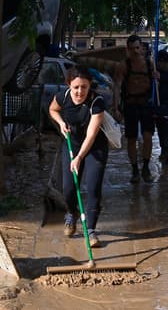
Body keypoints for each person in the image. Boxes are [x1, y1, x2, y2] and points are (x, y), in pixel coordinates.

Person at [49, 66, 108, 248]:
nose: (80, 91)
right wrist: (60, 123)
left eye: (84, 87)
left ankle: (90, 230)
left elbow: (91, 135)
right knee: (68, 188)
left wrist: (80, 157)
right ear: (69, 85)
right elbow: (53, 109)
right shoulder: (63, 97)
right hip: (71, 144)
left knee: (93, 187)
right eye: (76, 87)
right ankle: (70, 213)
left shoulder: (97, 102)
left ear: (90, 86)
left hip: (94, 147)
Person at [113, 34, 158, 183]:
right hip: (130, 103)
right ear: (128, 49)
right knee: (131, 138)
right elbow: (117, 87)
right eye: (132, 49)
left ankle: (145, 166)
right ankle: (134, 170)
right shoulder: (123, 65)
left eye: (137, 48)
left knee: (147, 136)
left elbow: (156, 80)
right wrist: (116, 108)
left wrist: (157, 77)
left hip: (146, 103)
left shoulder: (149, 63)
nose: (135, 51)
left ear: (142, 48)